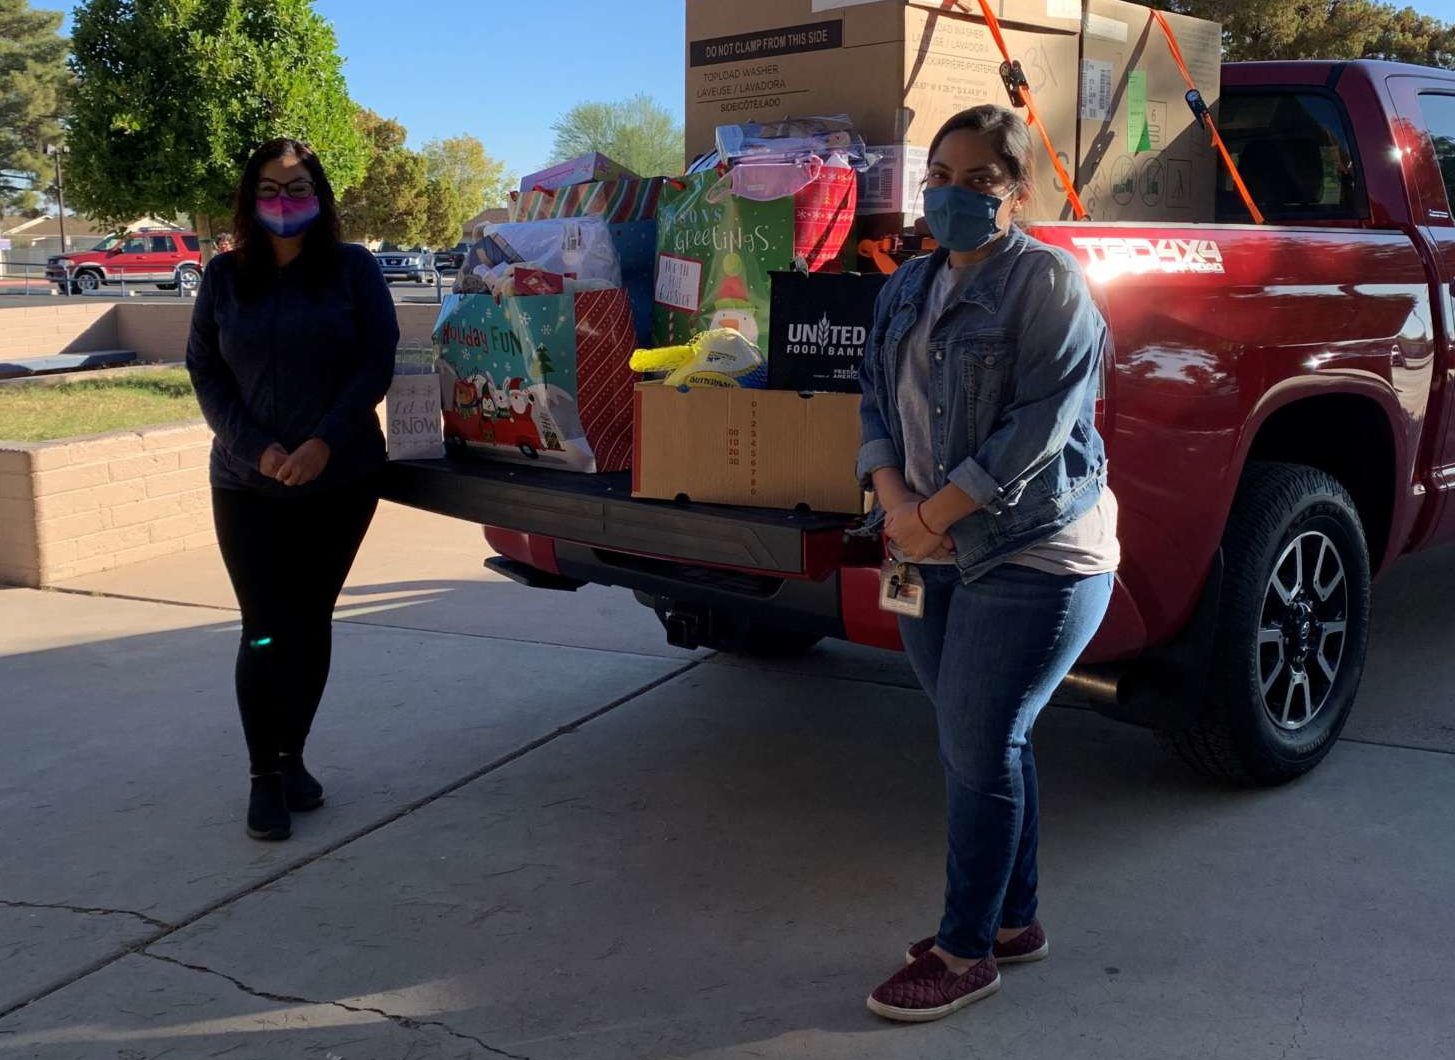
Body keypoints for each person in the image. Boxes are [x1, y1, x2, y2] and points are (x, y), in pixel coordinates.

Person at [857, 105, 1119, 1023]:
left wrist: (932, 515)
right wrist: (897, 506)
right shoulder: (908, 285)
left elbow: (1040, 429)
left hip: (1033, 552)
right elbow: (872, 403)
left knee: (979, 746)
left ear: (1016, 193)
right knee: (979, 745)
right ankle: (1013, 921)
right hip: (923, 546)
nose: (952, 195)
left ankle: (964, 950)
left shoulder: (1046, 284)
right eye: (940, 174)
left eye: (979, 181)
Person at [186, 138, 399, 842]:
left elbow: (376, 362)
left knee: (309, 622)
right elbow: (206, 374)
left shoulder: (351, 268)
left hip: (338, 478)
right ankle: (264, 776)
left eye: (298, 186)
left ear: (320, 194)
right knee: (264, 627)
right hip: (246, 483)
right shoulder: (221, 278)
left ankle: (293, 755)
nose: (285, 202)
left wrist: (321, 444)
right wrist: (261, 450)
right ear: (250, 200)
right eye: (270, 189)